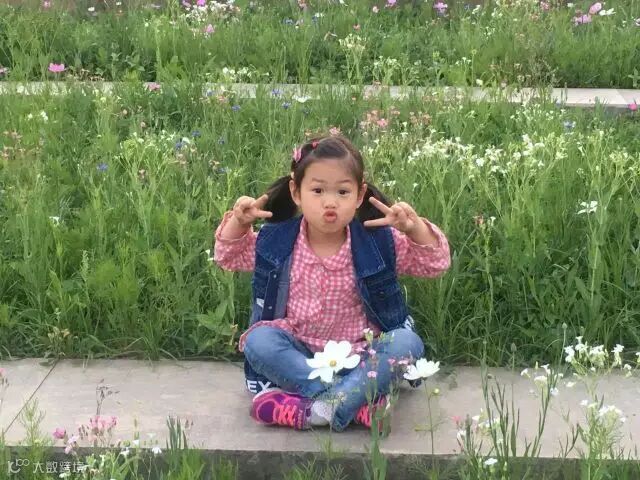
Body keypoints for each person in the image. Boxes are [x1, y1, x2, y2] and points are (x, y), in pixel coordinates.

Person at [213, 134, 451, 432]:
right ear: (296, 192)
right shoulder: (278, 240)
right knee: (259, 342)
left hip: (361, 354)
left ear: (360, 195)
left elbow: (435, 263)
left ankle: (313, 409)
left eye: (342, 191)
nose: (330, 202)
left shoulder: (377, 242)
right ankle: (357, 401)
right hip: (299, 355)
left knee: (407, 342)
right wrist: (239, 222)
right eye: (317, 190)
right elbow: (228, 256)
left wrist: (415, 229)